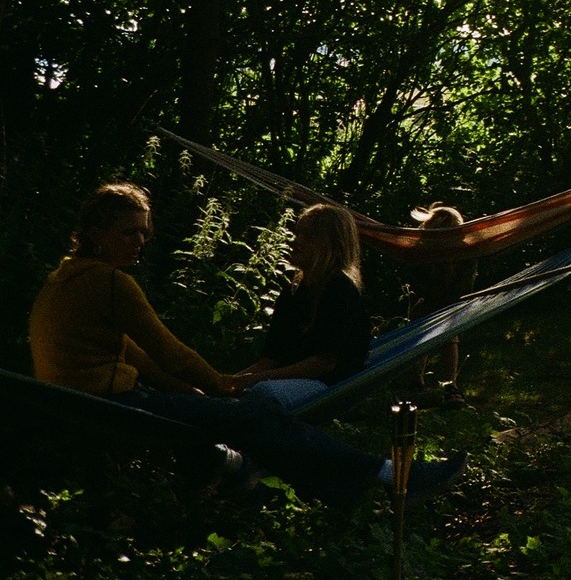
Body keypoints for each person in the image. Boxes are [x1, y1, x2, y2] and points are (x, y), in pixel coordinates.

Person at [28, 183, 462, 502]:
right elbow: (166, 351)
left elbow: (139, 356)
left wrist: (199, 392)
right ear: (98, 233)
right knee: (254, 421)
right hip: (112, 402)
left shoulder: (64, 277)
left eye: (144, 232)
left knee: (235, 418)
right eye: (129, 232)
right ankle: (391, 475)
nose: (140, 241)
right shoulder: (108, 282)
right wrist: (217, 386)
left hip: (89, 400)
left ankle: (258, 476)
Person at [228, 203, 371, 413]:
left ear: (333, 245)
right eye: (298, 234)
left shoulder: (340, 290)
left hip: (328, 386)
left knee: (262, 394)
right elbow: (270, 359)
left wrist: (254, 380)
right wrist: (231, 381)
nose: (296, 242)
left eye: (309, 237)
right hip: (287, 381)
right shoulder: (293, 292)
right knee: (230, 393)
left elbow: (323, 363)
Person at [407, 203, 476, 400]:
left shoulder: (465, 250)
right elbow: (416, 277)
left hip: (450, 299)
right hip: (426, 298)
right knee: (420, 337)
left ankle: (449, 384)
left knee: (449, 338)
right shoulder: (422, 249)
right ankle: (418, 381)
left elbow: (466, 281)